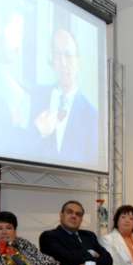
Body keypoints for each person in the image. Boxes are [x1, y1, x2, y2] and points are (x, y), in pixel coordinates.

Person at [33, 29, 98, 164]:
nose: (63, 63)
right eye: (57, 55)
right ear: (52, 61)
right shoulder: (37, 98)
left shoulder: (92, 116)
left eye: (68, 55)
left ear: (78, 61)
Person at [39, 200, 112, 265]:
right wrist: (93, 255)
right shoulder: (49, 236)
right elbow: (69, 259)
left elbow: (108, 259)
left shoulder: (89, 235)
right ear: (61, 215)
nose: (74, 216)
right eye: (69, 212)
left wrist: (84, 264)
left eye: (78, 214)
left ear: (81, 219)